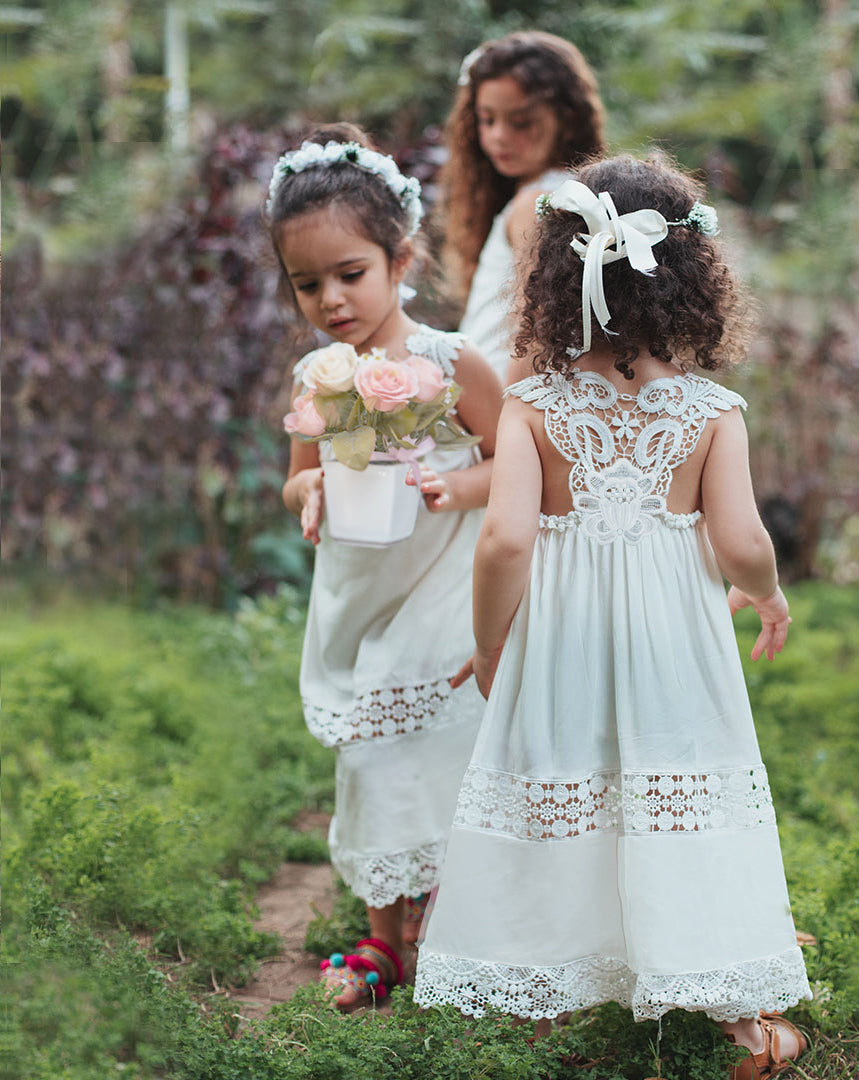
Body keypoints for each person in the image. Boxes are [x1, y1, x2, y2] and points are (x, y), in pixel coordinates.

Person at [414, 154, 812, 1079]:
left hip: (561, 641)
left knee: (564, 788)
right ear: (693, 284)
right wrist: (767, 589)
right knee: (682, 802)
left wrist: (489, 642)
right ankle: (747, 1026)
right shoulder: (712, 411)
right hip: (676, 643)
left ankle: (549, 996)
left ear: (557, 282)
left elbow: (505, 542)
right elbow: (743, 540)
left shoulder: (533, 407)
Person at [270, 122, 504, 1009]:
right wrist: (316, 497)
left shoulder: (451, 364)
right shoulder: (319, 375)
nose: (331, 299)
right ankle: (383, 939)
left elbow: (513, 463)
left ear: (400, 259)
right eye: (307, 284)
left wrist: (458, 484)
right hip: (361, 591)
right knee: (370, 753)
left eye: (350, 274)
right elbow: (296, 480)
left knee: (446, 744)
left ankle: (450, 915)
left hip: (445, 586)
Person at [441, 30, 605, 381]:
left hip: (496, 401)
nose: (499, 135)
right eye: (487, 119)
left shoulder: (537, 205)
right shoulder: (567, 193)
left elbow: (536, 331)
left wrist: (510, 422)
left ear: (566, 119)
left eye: (520, 122)